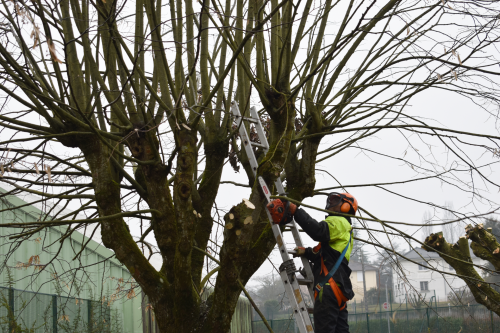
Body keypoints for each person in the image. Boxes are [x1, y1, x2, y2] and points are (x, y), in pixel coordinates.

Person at [266, 192, 357, 333]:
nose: (331, 203)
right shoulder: (345, 230)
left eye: (335, 201)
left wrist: (296, 211)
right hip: (339, 290)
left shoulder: (339, 221)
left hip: (328, 289)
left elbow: (318, 231)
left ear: (346, 206)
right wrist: (307, 252)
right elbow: (325, 254)